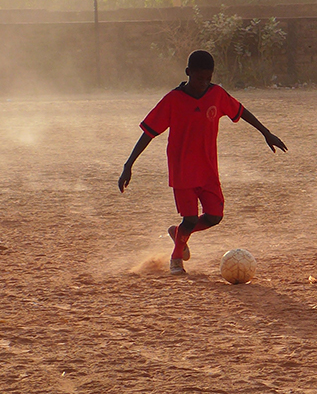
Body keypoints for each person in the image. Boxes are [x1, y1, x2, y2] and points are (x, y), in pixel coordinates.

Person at [118, 50, 287, 276]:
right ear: (188, 73)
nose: (203, 83)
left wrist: (266, 133)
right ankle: (176, 258)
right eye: (199, 79)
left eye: (208, 78)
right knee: (189, 218)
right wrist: (128, 165)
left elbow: (241, 111)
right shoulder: (172, 100)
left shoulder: (216, 94)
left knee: (214, 216)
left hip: (208, 169)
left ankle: (178, 233)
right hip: (182, 171)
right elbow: (148, 133)